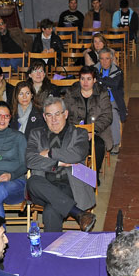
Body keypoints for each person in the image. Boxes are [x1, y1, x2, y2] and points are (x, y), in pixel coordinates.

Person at [26, 96, 96, 232]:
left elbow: (77, 155)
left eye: (57, 114)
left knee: (51, 210)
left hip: (70, 186)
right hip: (43, 187)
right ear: (44, 117)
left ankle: (53, 247)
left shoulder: (79, 133)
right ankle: (79, 214)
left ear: (66, 114)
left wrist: (51, 153)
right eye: (49, 115)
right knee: (33, 181)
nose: (54, 119)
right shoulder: (36, 134)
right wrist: (58, 162)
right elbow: (30, 160)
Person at [64, 66, 113, 178]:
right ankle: (75, 175)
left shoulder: (102, 93)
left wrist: (93, 131)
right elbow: (64, 114)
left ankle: (93, 176)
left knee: (98, 146)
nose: (85, 82)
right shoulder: (71, 92)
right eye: (82, 79)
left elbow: (107, 115)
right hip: (75, 131)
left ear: (94, 80)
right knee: (68, 145)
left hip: (97, 132)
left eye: (89, 79)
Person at [94, 47, 127, 153]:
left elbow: (114, 84)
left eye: (107, 58)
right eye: (102, 59)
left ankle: (115, 144)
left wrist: (100, 81)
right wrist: (105, 82)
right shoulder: (94, 70)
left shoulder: (117, 71)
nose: (104, 61)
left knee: (113, 114)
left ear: (111, 59)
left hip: (112, 101)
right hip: (96, 101)